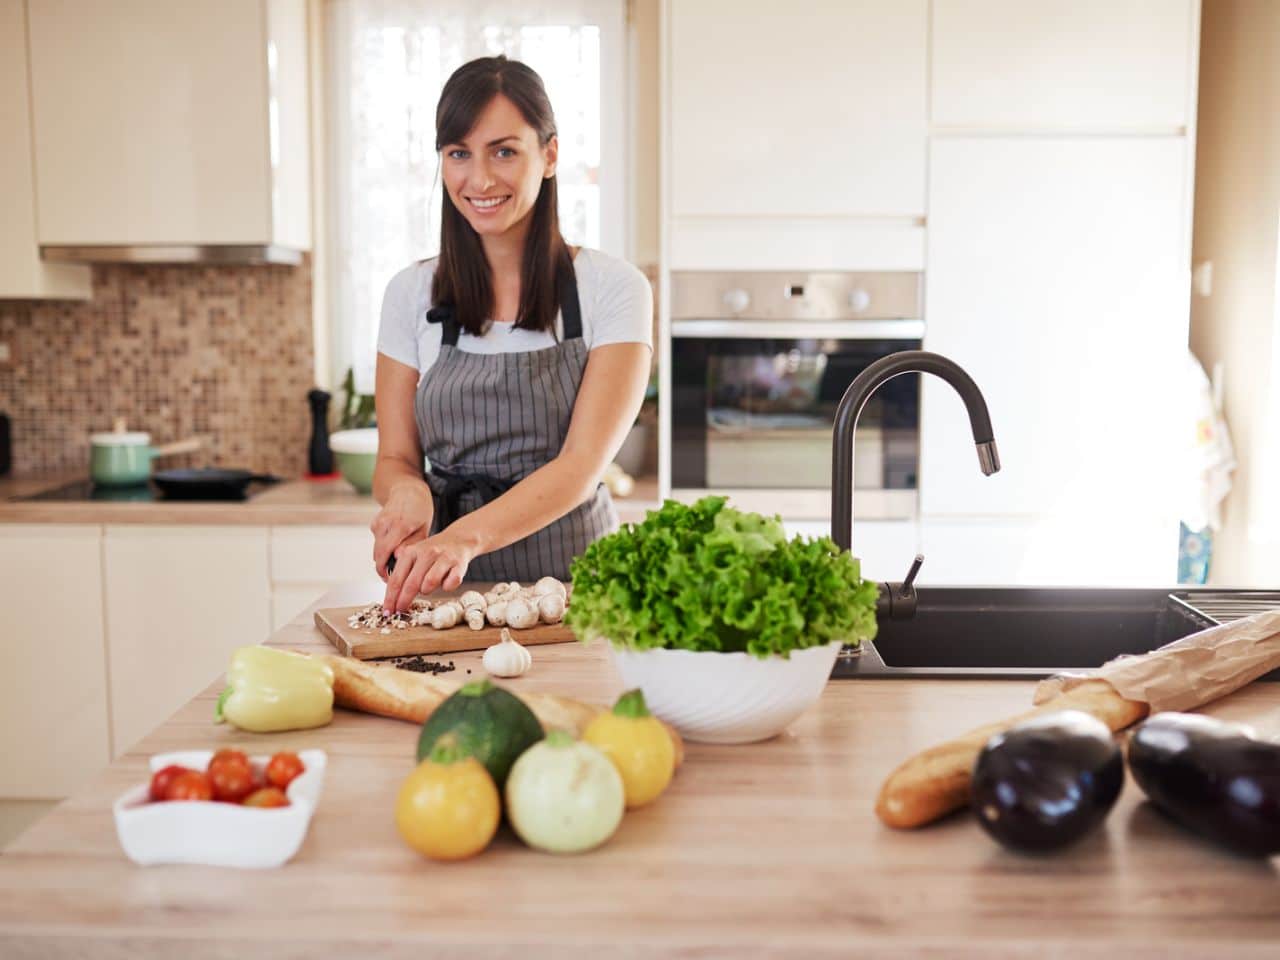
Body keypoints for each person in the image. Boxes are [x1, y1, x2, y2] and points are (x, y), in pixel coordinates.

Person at [371, 56, 652, 613]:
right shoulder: (410, 293)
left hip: (578, 594)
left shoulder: (613, 288)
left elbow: (580, 467)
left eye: (504, 151)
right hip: (444, 596)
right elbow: (396, 457)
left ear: (549, 155)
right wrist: (407, 492)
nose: (480, 179)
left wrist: (464, 537)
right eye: (459, 154)